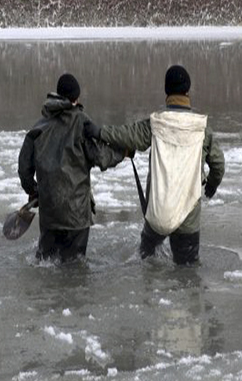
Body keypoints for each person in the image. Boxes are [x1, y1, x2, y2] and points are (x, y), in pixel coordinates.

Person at [89, 65, 225, 265]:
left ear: (166, 91)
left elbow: (127, 135)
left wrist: (99, 131)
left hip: (158, 209)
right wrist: (212, 184)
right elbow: (218, 164)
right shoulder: (201, 129)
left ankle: (149, 294)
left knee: (146, 259)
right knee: (187, 272)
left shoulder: (156, 125)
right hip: (189, 214)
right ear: (188, 91)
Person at [18, 73, 125, 263]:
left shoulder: (38, 127)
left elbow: (24, 169)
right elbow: (101, 157)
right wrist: (124, 151)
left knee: (46, 266)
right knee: (74, 270)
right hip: (76, 216)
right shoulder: (81, 122)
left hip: (50, 213)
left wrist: (34, 190)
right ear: (76, 98)